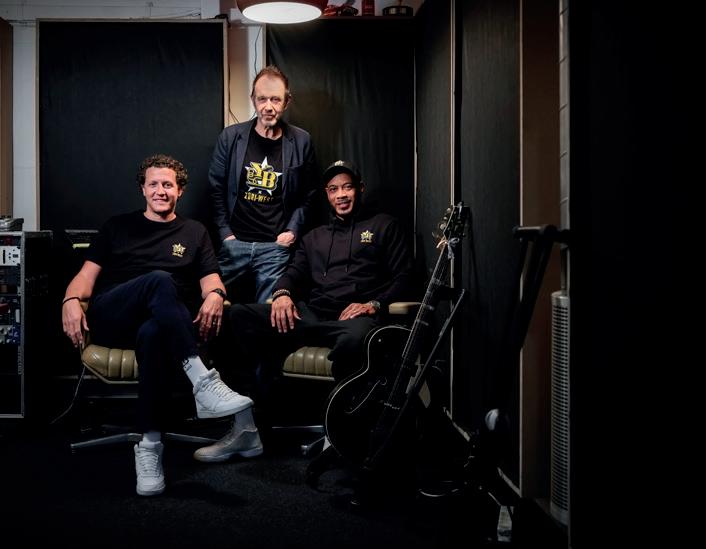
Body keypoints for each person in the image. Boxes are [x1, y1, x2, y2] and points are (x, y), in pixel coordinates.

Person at [61, 154, 257, 497]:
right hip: (115, 315)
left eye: (168, 184)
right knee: (159, 280)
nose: (160, 191)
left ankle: (149, 447)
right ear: (143, 189)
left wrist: (216, 294)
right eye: (153, 184)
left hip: (164, 324)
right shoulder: (116, 227)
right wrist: (69, 300)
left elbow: (211, 280)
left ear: (180, 190)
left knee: (154, 331)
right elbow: (85, 278)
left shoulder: (195, 232)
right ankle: (203, 382)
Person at [193, 159, 414, 462]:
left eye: (347, 187)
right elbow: (293, 274)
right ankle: (245, 428)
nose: (341, 195)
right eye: (334, 189)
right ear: (327, 194)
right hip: (311, 315)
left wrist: (374, 304)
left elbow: (405, 276)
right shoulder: (314, 237)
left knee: (358, 340)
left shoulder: (384, 225)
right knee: (235, 317)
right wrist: (282, 294)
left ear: (360, 189)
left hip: (354, 318)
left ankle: (341, 432)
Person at [209, 65, 318, 304]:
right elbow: (215, 188)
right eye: (262, 99)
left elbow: (309, 194)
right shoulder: (230, 137)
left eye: (275, 99)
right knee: (213, 306)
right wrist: (225, 234)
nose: (268, 106)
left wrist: (291, 232)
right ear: (253, 99)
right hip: (234, 244)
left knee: (270, 315)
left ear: (287, 102)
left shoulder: (301, 140)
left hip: (275, 247)